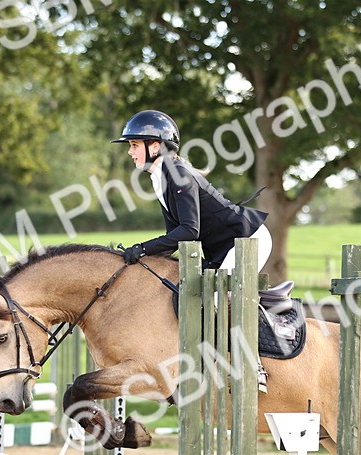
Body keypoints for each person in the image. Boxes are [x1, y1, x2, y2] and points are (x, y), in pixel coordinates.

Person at [114, 109, 273, 389]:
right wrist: (139, 257)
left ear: (155, 146)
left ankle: (253, 367)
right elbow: (173, 236)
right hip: (223, 248)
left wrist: (142, 248)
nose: (130, 152)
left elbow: (190, 231)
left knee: (217, 296)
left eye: (134, 145)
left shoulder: (176, 174)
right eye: (130, 146)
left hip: (247, 239)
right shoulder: (159, 177)